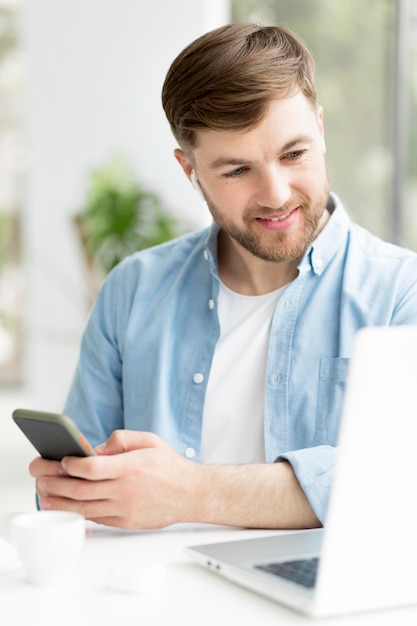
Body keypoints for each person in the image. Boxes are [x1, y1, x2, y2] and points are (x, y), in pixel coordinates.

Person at [30, 22, 417, 530]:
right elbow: (72, 495)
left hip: (316, 607)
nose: (276, 194)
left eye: (294, 153)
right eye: (236, 171)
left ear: (320, 129)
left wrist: (189, 493)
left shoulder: (400, 293)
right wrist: (75, 489)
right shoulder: (131, 291)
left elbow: (398, 480)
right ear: (189, 170)